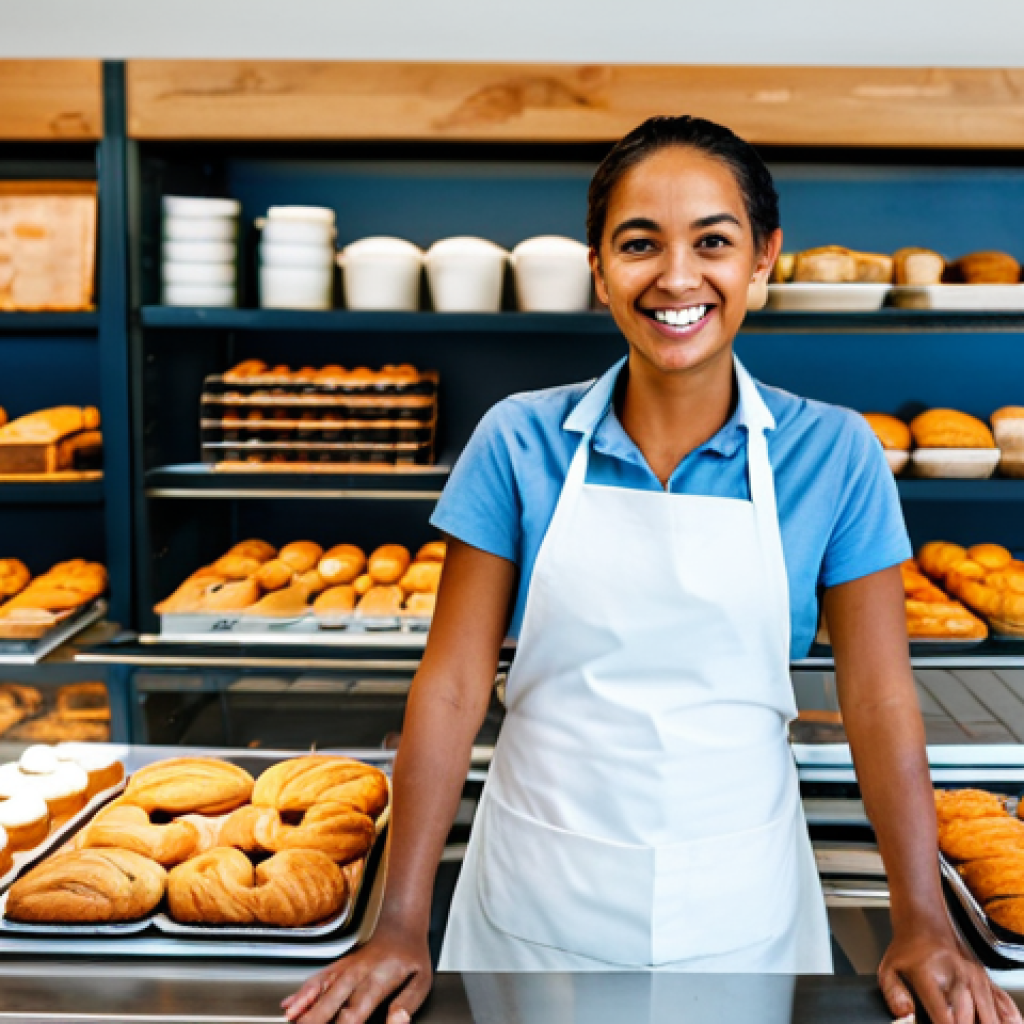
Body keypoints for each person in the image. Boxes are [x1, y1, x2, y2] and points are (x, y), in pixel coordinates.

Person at [284, 116, 1020, 1024]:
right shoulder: (517, 441)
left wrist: (923, 918)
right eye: (640, 245)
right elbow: (449, 686)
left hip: (740, 909)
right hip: (533, 903)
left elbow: (880, 701)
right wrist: (398, 922)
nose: (676, 277)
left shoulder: (833, 452)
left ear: (763, 260)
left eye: (713, 241)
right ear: (599, 269)